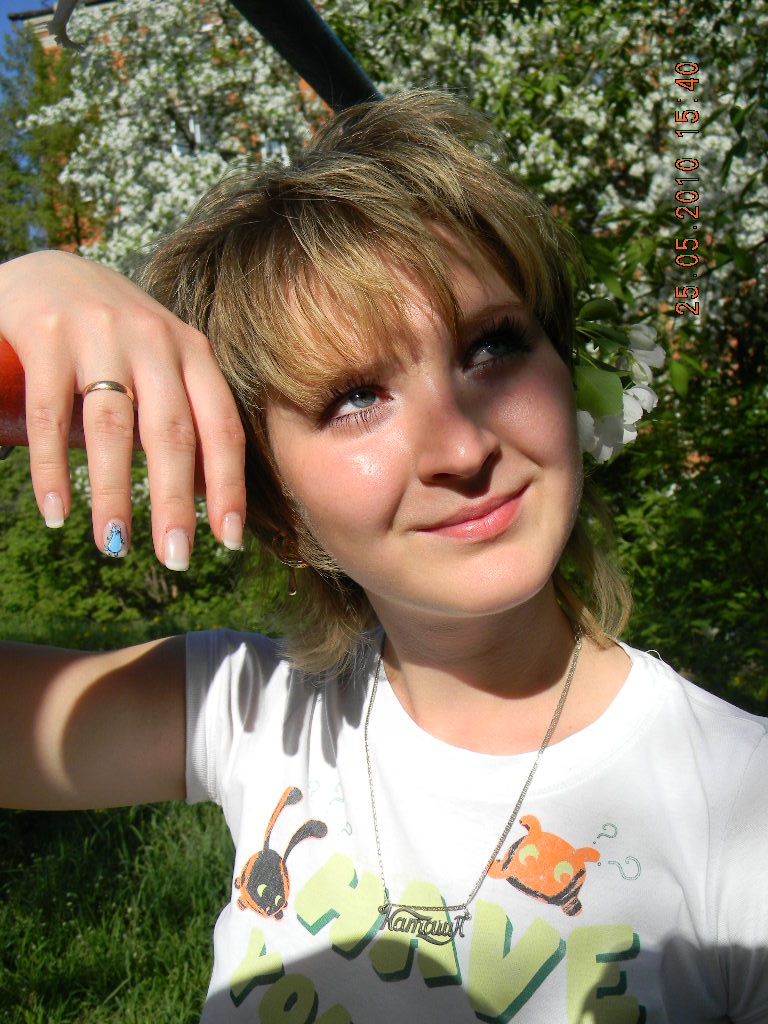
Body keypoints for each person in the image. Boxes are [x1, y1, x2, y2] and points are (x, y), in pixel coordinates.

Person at [1, 91, 766, 1024]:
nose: (462, 448)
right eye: (355, 397)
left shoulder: (741, 809)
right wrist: (17, 304)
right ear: (282, 513)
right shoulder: (248, 716)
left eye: (491, 347)